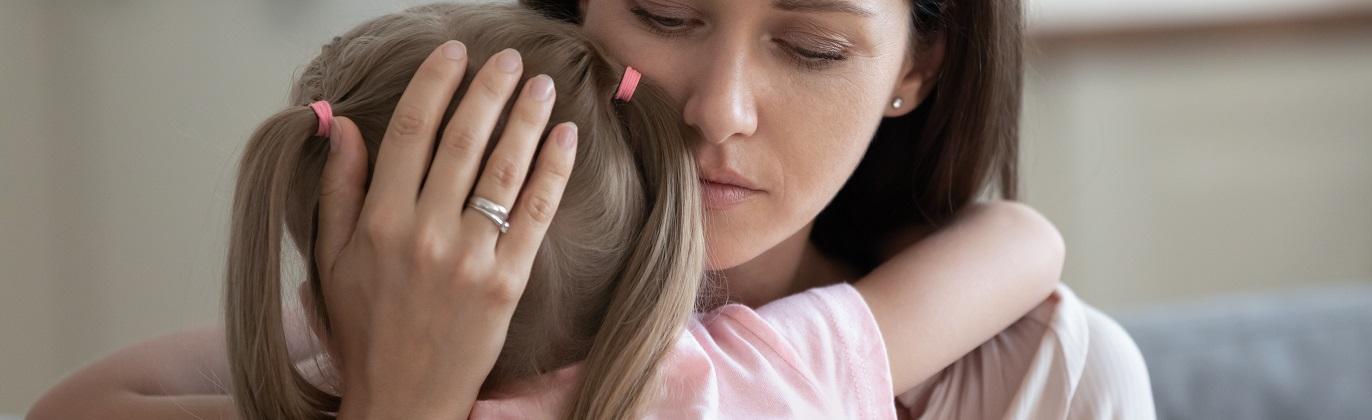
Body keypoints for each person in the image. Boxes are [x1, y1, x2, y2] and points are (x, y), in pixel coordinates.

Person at [31, 0, 1155, 419]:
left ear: (919, 65)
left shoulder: (1047, 379)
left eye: (812, 46)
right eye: (665, 15)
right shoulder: (396, 331)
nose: (719, 110)